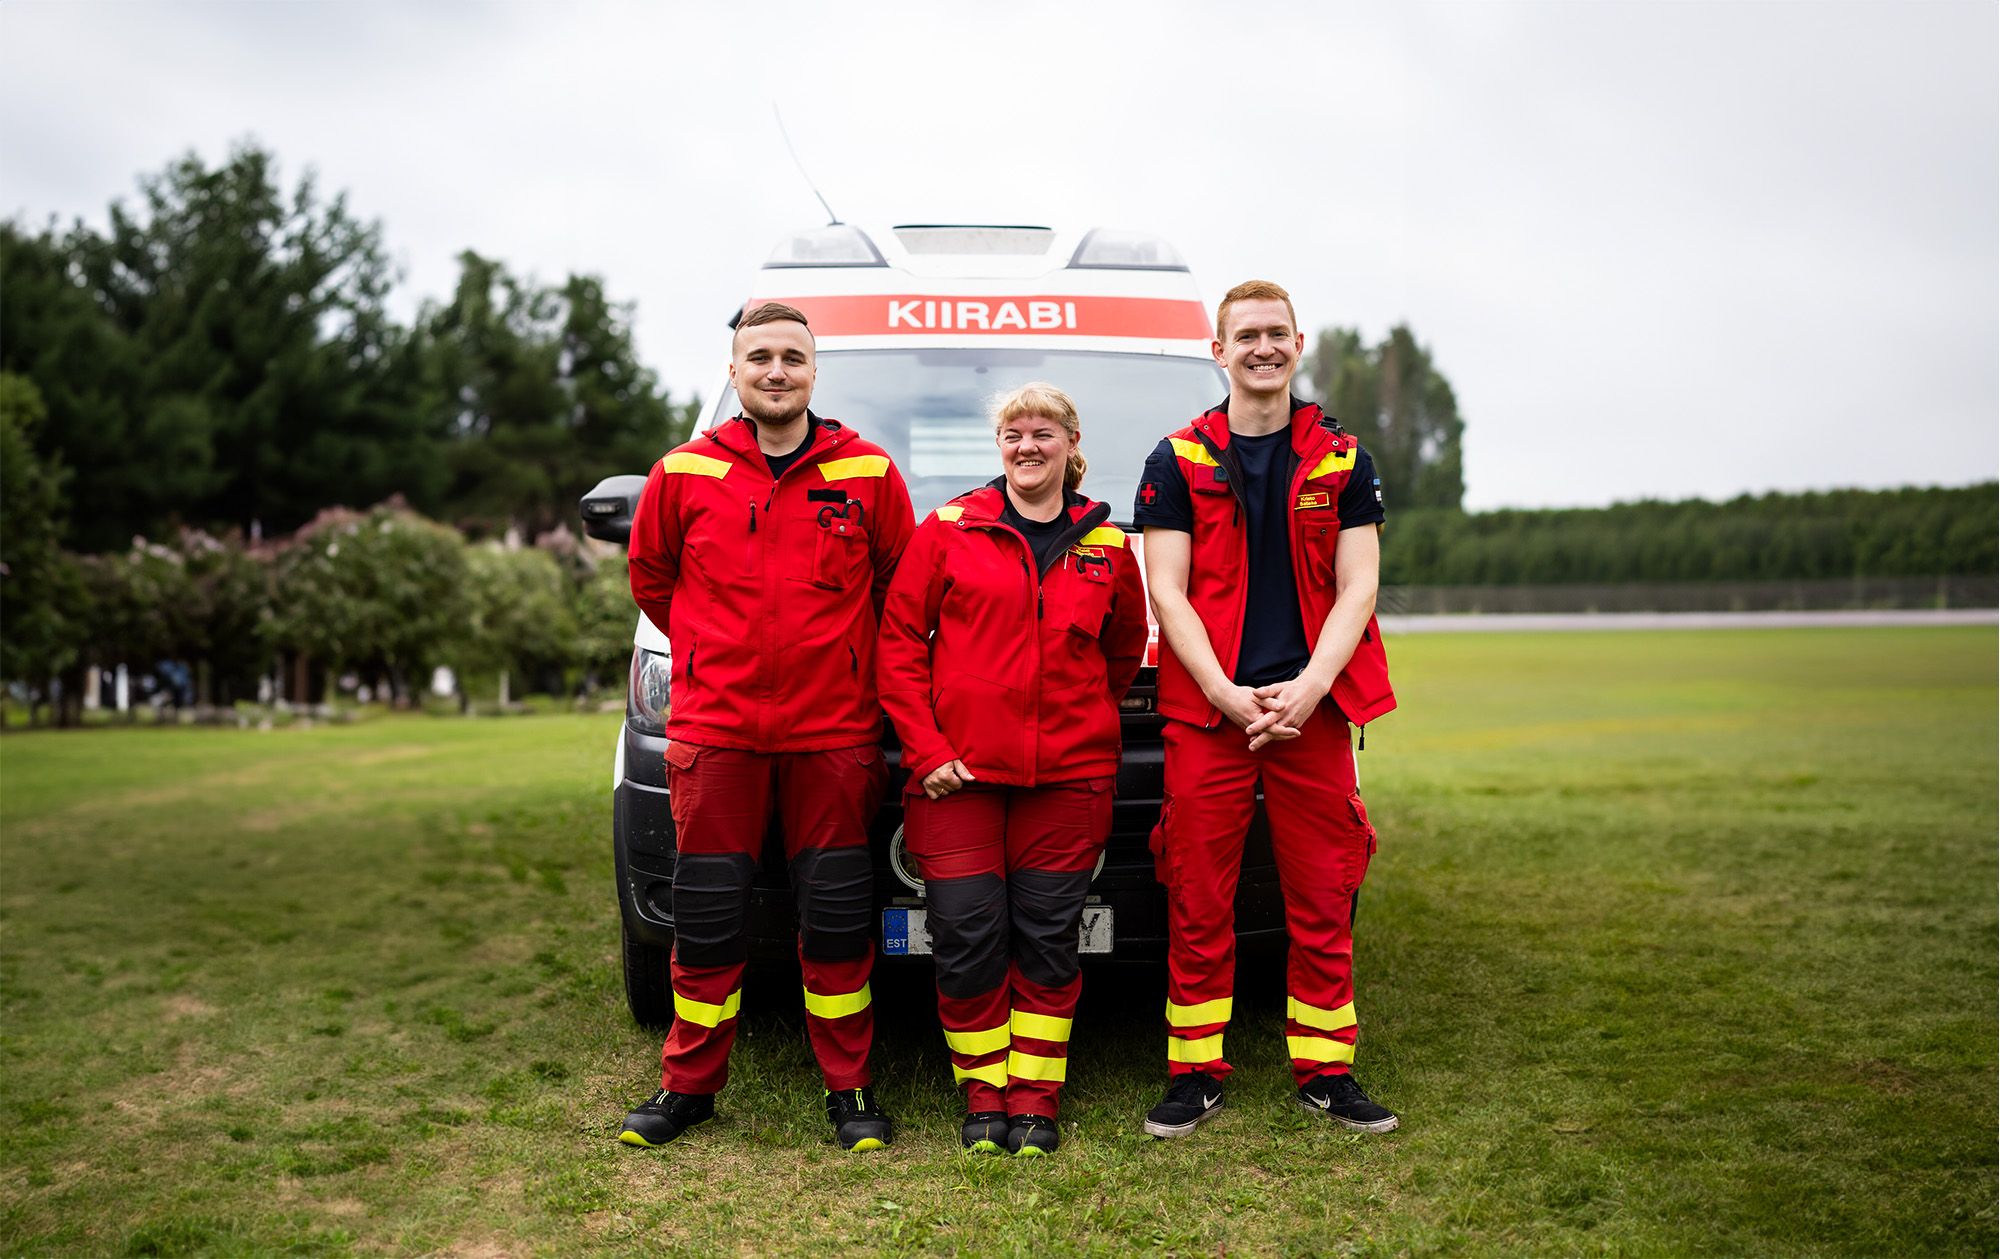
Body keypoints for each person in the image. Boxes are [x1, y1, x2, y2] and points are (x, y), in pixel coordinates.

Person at [617, 302, 916, 1151]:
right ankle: (688, 1087)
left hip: (833, 738)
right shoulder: (683, 472)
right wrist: (716, 649)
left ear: (815, 372)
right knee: (707, 921)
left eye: (792, 357)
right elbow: (653, 578)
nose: (776, 371)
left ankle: (850, 1089)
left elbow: (899, 591)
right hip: (718, 735)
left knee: (834, 922)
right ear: (735, 371)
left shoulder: (866, 471)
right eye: (760, 357)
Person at [1131, 280, 1400, 1137]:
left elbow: (1360, 584)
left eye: (1276, 333)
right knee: (1198, 896)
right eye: (1245, 335)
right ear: (1219, 351)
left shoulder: (1345, 458)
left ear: (1298, 342)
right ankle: (1193, 1072)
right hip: (1212, 710)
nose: (1263, 347)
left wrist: (1313, 686)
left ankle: (1326, 1070)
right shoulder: (1175, 459)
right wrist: (1223, 691)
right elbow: (1165, 592)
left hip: (1312, 708)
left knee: (1322, 893)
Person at [876, 383, 1148, 1156]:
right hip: (956, 779)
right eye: (1012, 434)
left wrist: (1078, 721)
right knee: (964, 935)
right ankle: (983, 1091)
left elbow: (1120, 653)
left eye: (1041, 433)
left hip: (1067, 782)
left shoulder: (1105, 547)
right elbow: (897, 645)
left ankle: (1034, 1098)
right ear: (998, 445)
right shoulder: (950, 529)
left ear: (1071, 440)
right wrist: (928, 750)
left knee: (1048, 939)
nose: (1026, 446)